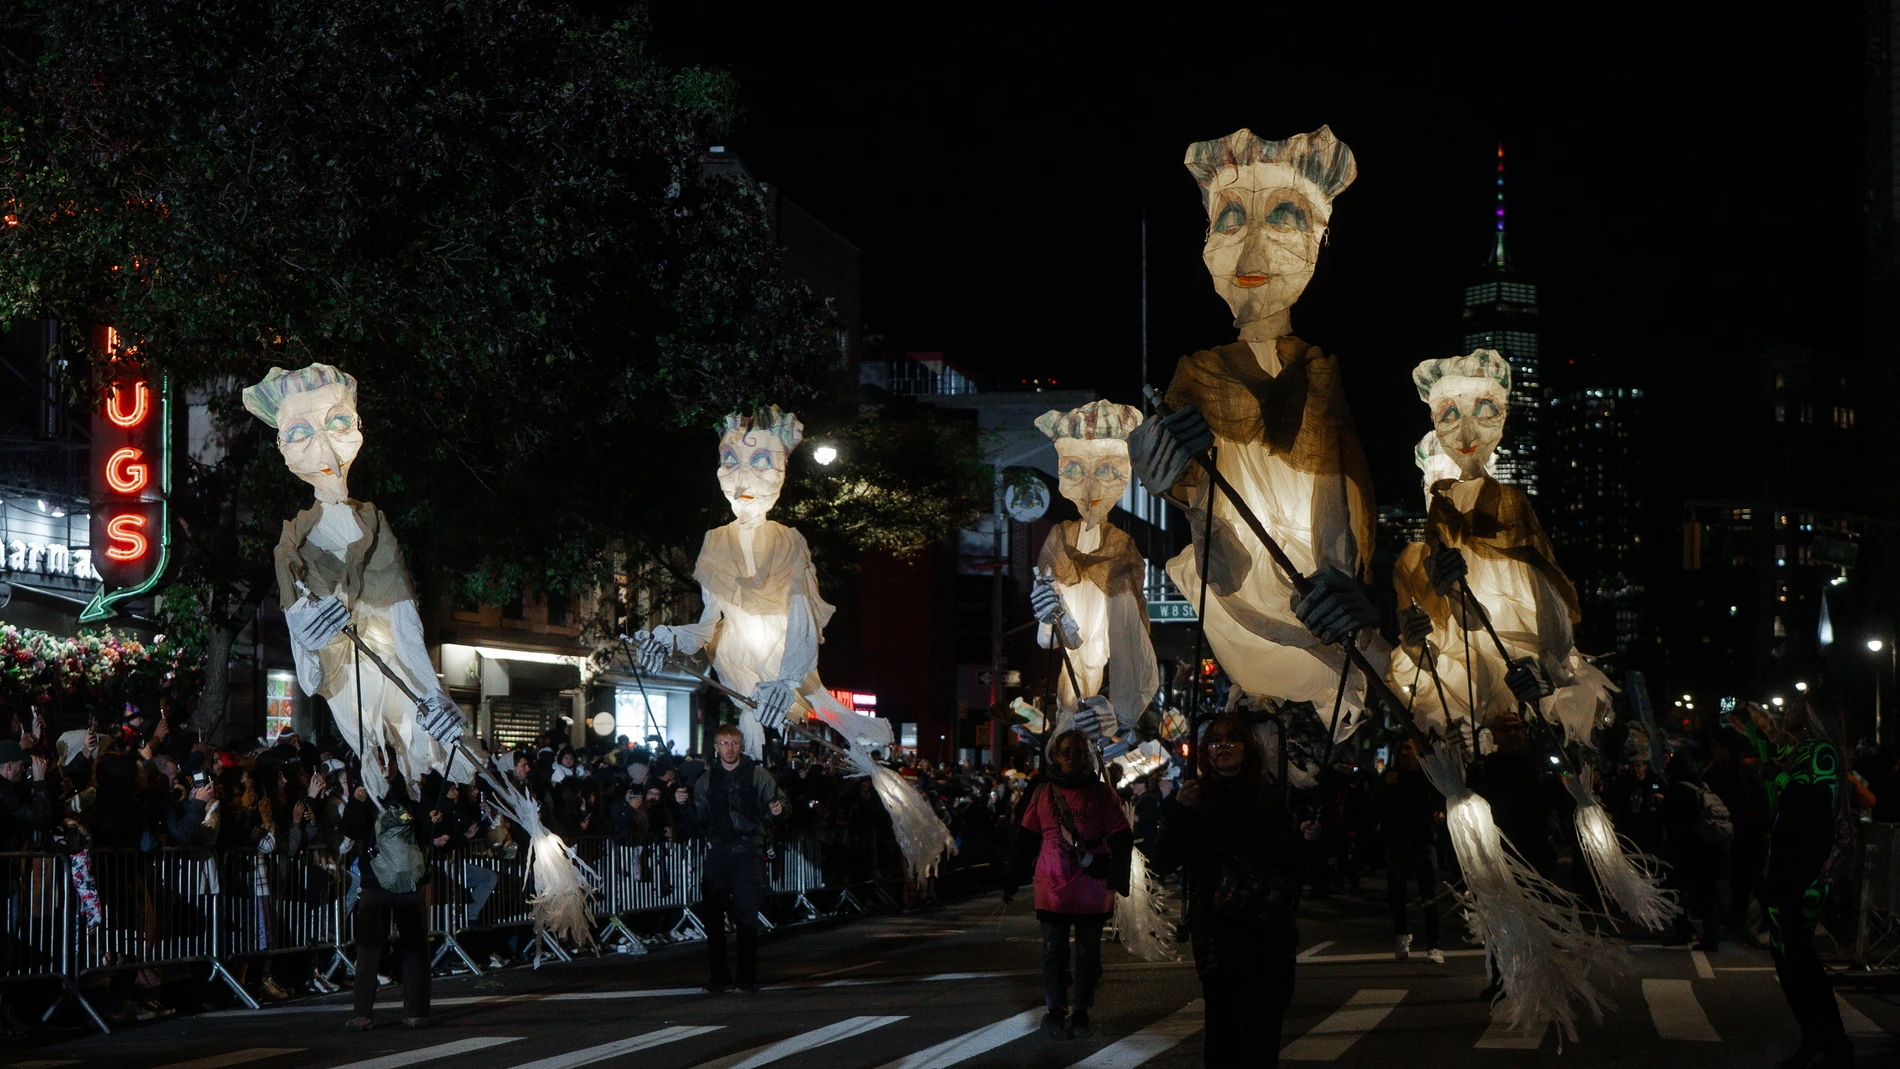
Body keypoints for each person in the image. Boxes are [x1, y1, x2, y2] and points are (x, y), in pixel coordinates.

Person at [1148, 714, 1304, 1069]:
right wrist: (1178, 812)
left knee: (1264, 1025)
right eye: (1215, 741)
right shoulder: (1193, 799)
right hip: (1219, 929)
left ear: (1247, 748)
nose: (1224, 747)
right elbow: (1163, 861)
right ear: (1205, 753)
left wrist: (1305, 838)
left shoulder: (1268, 797)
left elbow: (1291, 863)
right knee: (1222, 1026)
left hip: (1269, 928)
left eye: (1233, 739)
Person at [1000, 730, 1132, 1040]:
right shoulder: (1043, 793)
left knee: (1087, 954)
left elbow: (1121, 837)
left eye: (1077, 751)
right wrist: (1011, 881)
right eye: (1065, 751)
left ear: (1088, 755)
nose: (1071, 756)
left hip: (1091, 889)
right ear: (1055, 757)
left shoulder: (1102, 794)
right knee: (1053, 952)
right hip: (1052, 888)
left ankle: (1082, 1009)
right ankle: (1056, 1009)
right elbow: (1026, 841)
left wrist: (1118, 878)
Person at [680, 723, 786, 993]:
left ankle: (747, 977)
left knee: (747, 918)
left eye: (734, 743)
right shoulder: (707, 780)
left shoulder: (758, 774)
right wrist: (682, 804)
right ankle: (719, 976)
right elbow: (699, 817)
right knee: (713, 918)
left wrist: (779, 808)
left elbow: (782, 802)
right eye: (724, 743)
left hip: (749, 851)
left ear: (741, 745)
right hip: (719, 852)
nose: (729, 748)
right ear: (716, 747)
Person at [341, 775, 431, 1032]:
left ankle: (409, 1011)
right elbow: (352, 830)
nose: (383, 768)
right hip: (379, 881)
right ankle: (368, 1013)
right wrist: (357, 801)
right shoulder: (367, 794)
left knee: (409, 947)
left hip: (398, 881)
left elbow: (423, 832)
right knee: (371, 949)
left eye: (387, 762)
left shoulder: (409, 793)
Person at [1381, 737, 1444, 963]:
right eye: (1404, 748)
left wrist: (1439, 815)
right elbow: (1378, 807)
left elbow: (1440, 801)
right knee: (1396, 892)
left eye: (1412, 748)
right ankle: (1402, 933)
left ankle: (1434, 944)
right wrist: (1385, 787)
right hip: (1397, 842)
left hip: (1423, 840)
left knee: (1430, 894)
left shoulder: (1429, 777)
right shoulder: (1391, 778)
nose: (1407, 753)